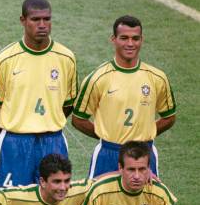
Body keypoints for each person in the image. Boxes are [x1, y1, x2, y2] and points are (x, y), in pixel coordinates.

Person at [0, 0, 77, 188]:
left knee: (54, 202)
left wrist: (48, 121)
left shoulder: (66, 58)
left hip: (53, 141)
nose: (42, 25)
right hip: (14, 142)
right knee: (10, 203)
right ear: (23, 20)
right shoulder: (4, 59)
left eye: (47, 19)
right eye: (36, 19)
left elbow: (68, 103)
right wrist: (10, 131)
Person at [72, 15, 176, 178]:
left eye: (135, 38)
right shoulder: (98, 78)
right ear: (113, 39)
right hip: (109, 153)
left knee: (147, 203)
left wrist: (146, 134)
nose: (130, 43)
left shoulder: (157, 78)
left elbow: (169, 117)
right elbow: (78, 119)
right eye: (124, 38)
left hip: (145, 154)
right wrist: (105, 135)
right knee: (99, 202)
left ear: (142, 40)